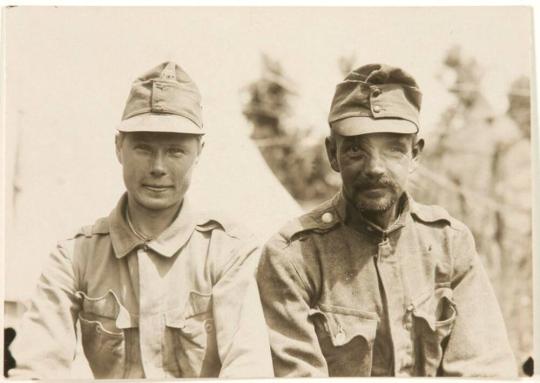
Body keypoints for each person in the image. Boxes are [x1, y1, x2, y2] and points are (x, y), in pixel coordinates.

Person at [8, 61, 273, 379]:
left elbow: (248, 369)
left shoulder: (228, 251)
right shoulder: (74, 256)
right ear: (119, 147)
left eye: (175, 151)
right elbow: (37, 368)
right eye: (143, 148)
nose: (158, 167)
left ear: (199, 152)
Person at [256, 63, 517, 377]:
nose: (375, 168)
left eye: (393, 149)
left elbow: (483, 369)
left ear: (415, 154)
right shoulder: (293, 258)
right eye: (356, 150)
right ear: (332, 154)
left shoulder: (449, 244)